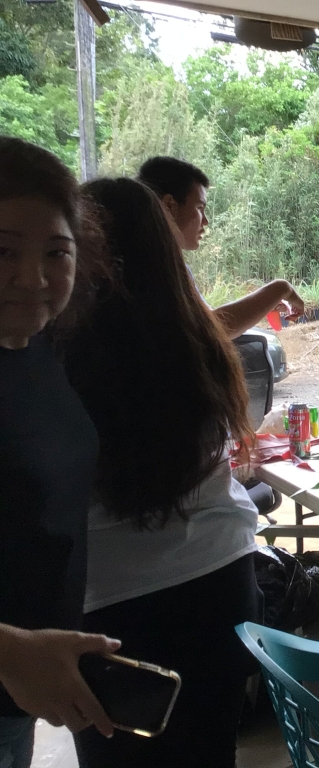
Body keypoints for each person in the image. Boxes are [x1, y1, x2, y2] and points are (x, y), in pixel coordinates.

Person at [63, 178, 261, 768]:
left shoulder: (56, 350)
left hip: (110, 602)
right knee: (209, 747)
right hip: (219, 578)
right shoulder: (196, 340)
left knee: (115, 757)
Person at [0, 138, 118, 766]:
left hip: (13, 702)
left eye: (56, 253)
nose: (32, 278)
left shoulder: (36, 351)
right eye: (4, 252)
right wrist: (9, 648)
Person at [137, 156, 304, 338]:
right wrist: (281, 288)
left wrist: (266, 302)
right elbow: (215, 328)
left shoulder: (156, 263)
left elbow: (208, 319)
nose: (206, 221)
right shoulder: (152, 270)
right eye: (200, 208)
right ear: (170, 205)